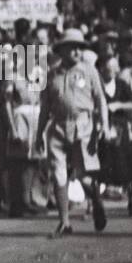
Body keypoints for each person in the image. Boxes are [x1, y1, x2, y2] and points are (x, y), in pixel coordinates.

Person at [36, 28, 111, 236]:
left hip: (83, 126)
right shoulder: (52, 74)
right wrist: (38, 134)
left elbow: (100, 100)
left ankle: (96, 201)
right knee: (59, 174)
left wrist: (104, 124)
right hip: (58, 127)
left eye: (80, 47)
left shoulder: (89, 71)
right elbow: (44, 107)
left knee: (83, 174)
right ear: (62, 50)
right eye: (73, 47)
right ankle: (64, 222)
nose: (77, 51)